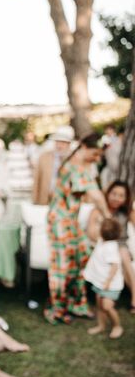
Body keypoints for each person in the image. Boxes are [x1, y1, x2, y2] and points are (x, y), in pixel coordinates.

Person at [45, 132, 111, 325]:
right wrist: (108, 218)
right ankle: (56, 309)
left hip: (70, 220)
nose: (97, 159)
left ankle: (77, 304)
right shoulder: (74, 167)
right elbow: (96, 195)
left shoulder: (79, 166)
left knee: (81, 258)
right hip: (59, 222)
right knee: (62, 267)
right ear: (83, 147)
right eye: (95, 154)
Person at [86, 180, 135, 314]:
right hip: (104, 246)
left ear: (126, 199)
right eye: (114, 193)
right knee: (119, 254)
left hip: (122, 245)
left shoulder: (126, 212)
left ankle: (134, 297)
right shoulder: (98, 211)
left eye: (121, 195)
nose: (117, 198)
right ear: (108, 194)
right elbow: (91, 233)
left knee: (123, 253)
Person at [84, 218, 125, 339]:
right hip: (100, 282)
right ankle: (101, 325)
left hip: (110, 284)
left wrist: (108, 281)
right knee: (99, 305)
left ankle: (117, 326)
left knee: (107, 306)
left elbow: (115, 266)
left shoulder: (110, 247)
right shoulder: (102, 241)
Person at [32, 125, 74, 205]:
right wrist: (35, 200)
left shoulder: (74, 159)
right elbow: (37, 179)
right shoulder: (44, 157)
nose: (59, 145)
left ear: (69, 144)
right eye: (57, 141)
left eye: (63, 142)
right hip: (45, 200)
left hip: (66, 202)